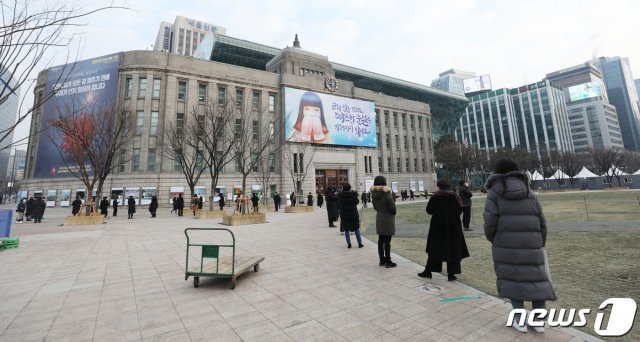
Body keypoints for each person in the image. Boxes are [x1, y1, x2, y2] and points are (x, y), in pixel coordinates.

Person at [483, 158, 555, 334]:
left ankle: (519, 319)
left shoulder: (494, 192)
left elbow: (489, 222)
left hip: (505, 243)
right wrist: (539, 242)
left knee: (512, 278)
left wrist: (494, 239)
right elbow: (542, 222)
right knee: (537, 278)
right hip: (533, 243)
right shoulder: (529, 193)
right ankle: (539, 320)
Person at [420, 179, 470, 281]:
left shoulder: (435, 197)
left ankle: (428, 271)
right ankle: (451, 274)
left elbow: (429, 210)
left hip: (438, 226)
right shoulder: (455, 195)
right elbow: (460, 209)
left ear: (439, 186)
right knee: (453, 249)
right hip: (454, 226)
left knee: (435, 248)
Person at [371, 176, 397, 268]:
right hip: (388, 219)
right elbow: (393, 208)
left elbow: (375, 207)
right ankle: (388, 261)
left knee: (380, 240)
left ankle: (382, 260)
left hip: (379, 217)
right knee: (387, 241)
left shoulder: (373, 194)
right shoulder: (387, 194)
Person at [338, 183, 363, 248]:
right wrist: (355, 195)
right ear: (349, 188)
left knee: (346, 229)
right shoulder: (352, 194)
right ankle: (359, 243)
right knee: (356, 228)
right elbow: (357, 202)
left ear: (343, 188)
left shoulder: (340, 195)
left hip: (344, 214)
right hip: (353, 214)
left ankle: (349, 244)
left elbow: (338, 203)